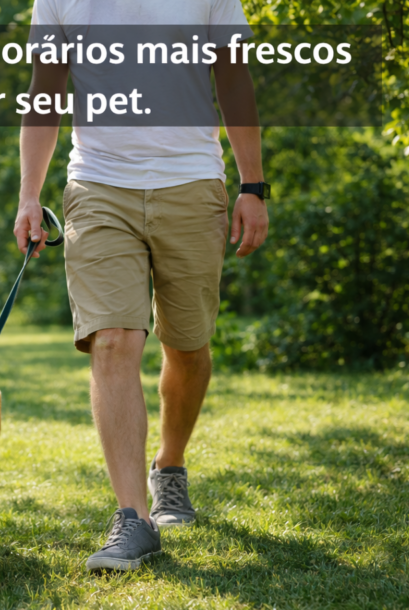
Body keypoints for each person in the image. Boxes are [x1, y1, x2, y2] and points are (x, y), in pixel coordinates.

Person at [14, 0, 269, 572]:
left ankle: (170, 468)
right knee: (113, 338)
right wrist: (30, 194)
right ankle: (133, 519)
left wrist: (253, 183)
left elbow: (233, 76)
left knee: (187, 344)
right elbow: (44, 94)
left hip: (193, 182)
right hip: (98, 187)